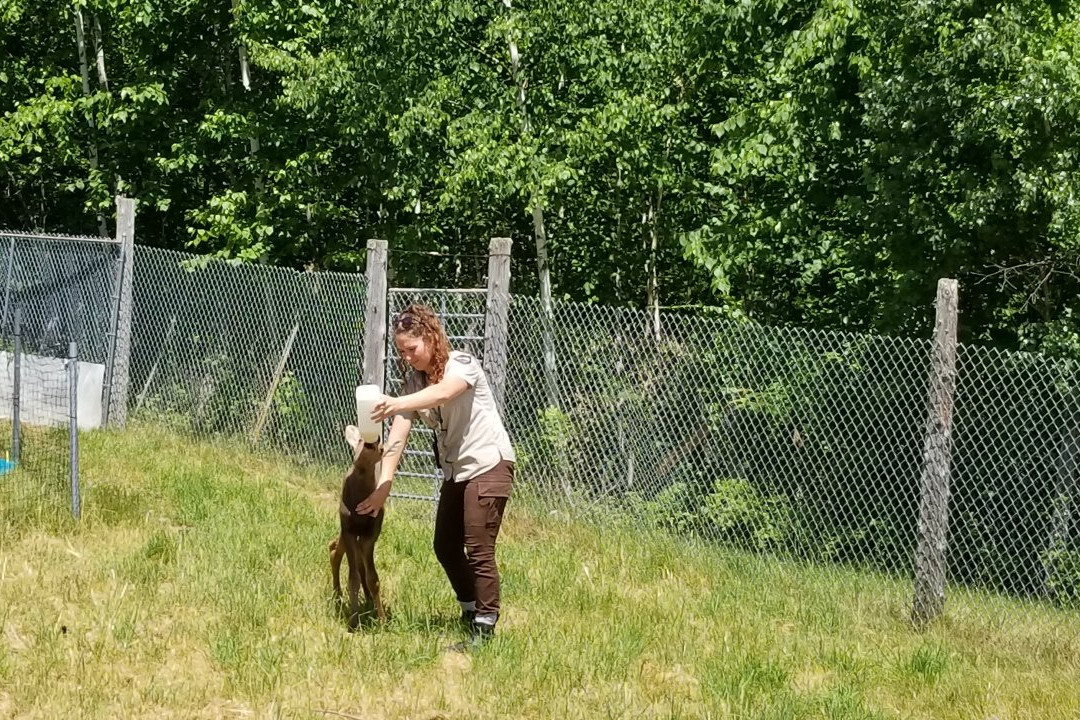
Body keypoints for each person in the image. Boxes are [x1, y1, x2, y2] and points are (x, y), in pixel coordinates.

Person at [355, 303, 516, 650]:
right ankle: (470, 610)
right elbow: (397, 436)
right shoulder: (415, 381)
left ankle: (484, 629)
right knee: (445, 545)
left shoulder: (462, 364)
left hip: (488, 465)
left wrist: (397, 403)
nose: (408, 357)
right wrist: (384, 484)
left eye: (411, 349)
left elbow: (444, 393)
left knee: (478, 547)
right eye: (401, 352)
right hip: (457, 471)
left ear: (430, 338)